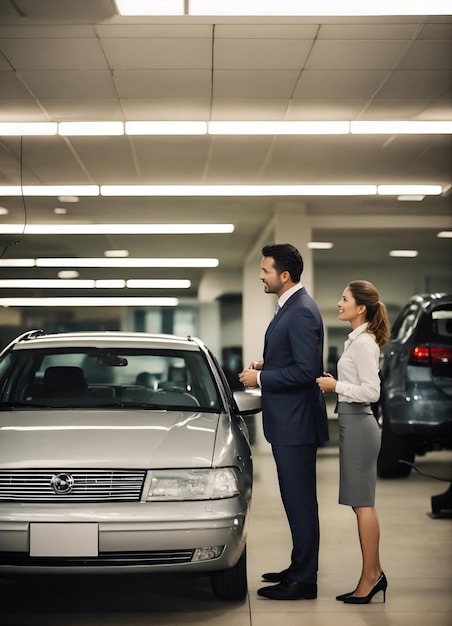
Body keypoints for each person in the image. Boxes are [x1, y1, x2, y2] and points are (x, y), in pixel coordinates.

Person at [239, 243, 329, 601]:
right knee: (295, 500)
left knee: (301, 501)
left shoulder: (301, 311)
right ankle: (298, 568)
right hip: (289, 422)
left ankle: (304, 581)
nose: (261, 275)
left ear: (284, 275)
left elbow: (307, 371)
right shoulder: (290, 307)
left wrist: (259, 380)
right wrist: (267, 366)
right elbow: (294, 359)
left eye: (265, 270)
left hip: (296, 423)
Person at [316, 280, 390, 604]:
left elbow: (372, 393)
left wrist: (336, 386)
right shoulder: (356, 340)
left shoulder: (363, 344)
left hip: (360, 423)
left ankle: (371, 577)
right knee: (362, 505)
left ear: (361, 307)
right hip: (353, 423)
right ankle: (373, 574)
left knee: (363, 506)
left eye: (344, 299)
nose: (338, 303)